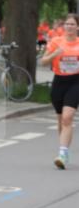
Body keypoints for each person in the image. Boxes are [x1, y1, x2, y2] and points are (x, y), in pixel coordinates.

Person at [41, 13, 79, 169]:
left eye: (72, 24)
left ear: (77, 27)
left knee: (67, 118)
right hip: (59, 82)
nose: (69, 27)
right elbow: (43, 62)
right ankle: (64, 149)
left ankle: (62, 154)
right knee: (60, 120)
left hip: (76, 81)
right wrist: (55, 54)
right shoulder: (56, 42)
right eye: (67, 24)